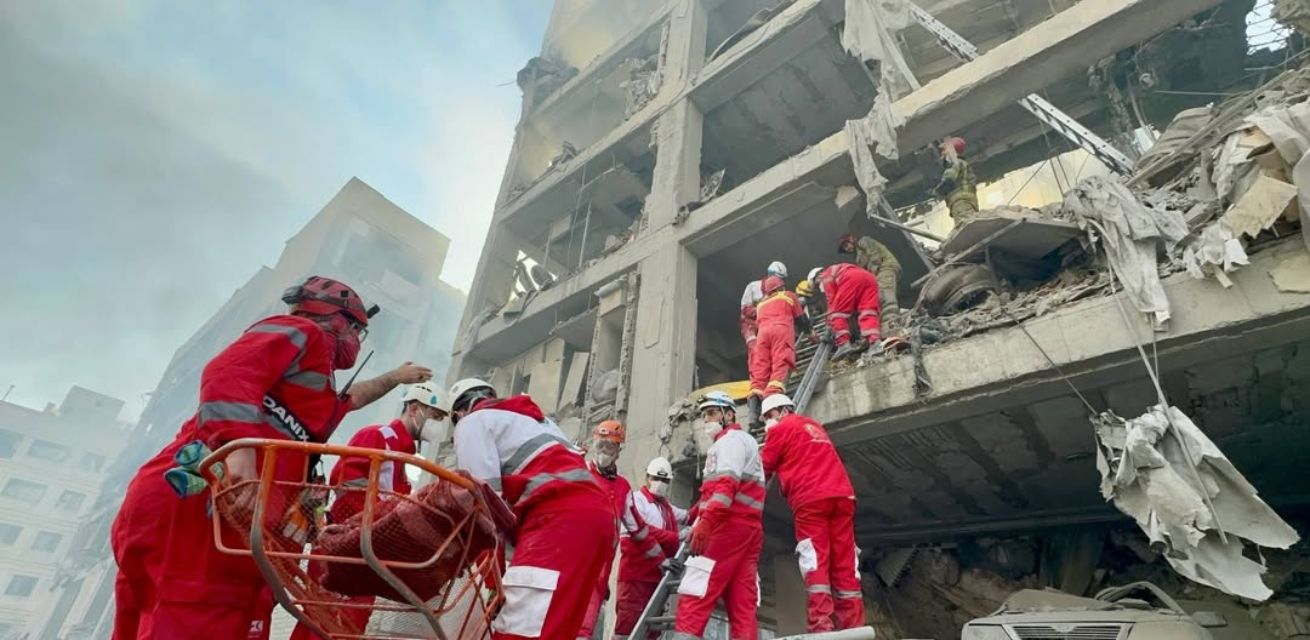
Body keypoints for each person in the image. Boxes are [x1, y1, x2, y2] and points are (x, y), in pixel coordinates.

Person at [111, 275, 433, 640]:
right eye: (359, 331)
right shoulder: (303, 331)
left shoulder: (308, 392)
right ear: (340, 321)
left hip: (223, 514)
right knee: (201, 615)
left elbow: (349, 399)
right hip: (207, 503)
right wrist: (240, 448)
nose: (358, 343)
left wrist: (395, 377)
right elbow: (228, 371)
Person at [449, 378, 616, 640]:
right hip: (597, 520)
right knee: (557, 631)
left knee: (518, 632)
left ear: (458, 412)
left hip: (559, 520)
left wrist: (493, 583)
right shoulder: (538, 421)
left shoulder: (472, 423)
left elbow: (484, 510)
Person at [289, 382, 450, 640]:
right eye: (436, 416)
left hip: (365, 553)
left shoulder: (402, 460)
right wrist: (364, 530)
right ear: (415, 408)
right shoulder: (378, 437)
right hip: (344, 548)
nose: (438, 424)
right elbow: (346, 483)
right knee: (325, 622)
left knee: (349, 624)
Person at [758, 394, 863, 632]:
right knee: (845, 562)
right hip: (843, 497)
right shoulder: (814, 426)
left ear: (783, 411)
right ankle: (853, 626)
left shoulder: (780, 429)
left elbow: (762, 468)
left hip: (811, 499)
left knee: (815, 560)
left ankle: (821, 626)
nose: (767, 422)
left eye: (768, 416)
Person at [673, 392, 765, 640]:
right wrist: (695, 513)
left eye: (712, 413)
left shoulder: (728, 443)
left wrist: (706, 523)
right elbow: (719, 491)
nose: (707, 420)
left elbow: (725, 488)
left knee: (695, 591)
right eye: (704, 415)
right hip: (749, 530)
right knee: (742, 602)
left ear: (729, 414)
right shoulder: (746, 442)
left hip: (726, 526)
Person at [614, 457, 689, 640]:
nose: (660, 484)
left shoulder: (666, 508)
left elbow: (688, 516)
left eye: (665, 480)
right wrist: (676, 536)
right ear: (647, 478)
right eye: (657, 478)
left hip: (657, 579)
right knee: (627, 630)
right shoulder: (636, 501)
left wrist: (708, 502)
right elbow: (642, 530)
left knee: (651, 633)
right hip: (636, 578)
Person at [577, 420, 631, 640]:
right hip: (573, 561)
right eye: (601, 445)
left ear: (618, 450)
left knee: (585, 630)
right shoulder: (579, 472)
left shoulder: (623, 487)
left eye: (610, 447)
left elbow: (637, 525)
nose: (604, 452)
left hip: (599, 571)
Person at [748, 276, 811, 405]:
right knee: (780, 362)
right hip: (780, 330)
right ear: (781, 287)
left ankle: (754, 410)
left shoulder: (760, 305)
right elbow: (801, 320)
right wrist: (811, 333)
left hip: (762, 335)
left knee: (760, 369)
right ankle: (773, 400)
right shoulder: (788, 295)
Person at [740, 261, 787, 426]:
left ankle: (760, 395)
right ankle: (755, 405)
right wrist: (762, 308)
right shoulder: (753, 287)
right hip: (752, 328)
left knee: (769, 359)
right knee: (756, 360)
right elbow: (745, 310)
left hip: (765, 328)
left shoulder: (775, 292)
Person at [808, 264, 882, 362]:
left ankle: (843, 344)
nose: (819, 288)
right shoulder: (837, 270)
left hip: (851, 278)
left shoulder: (826, 276)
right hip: (869, 278)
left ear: (817, 276)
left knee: (836, 313)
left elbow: (832, 302)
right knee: (867, 311)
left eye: (817, 285)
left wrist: (829, 326)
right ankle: (875, 343)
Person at [838, 234, 901, 314]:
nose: (847, 249)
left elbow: (875, 257)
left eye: (847, 245)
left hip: (885, 267)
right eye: (845, 248)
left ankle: (890, 316)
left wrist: (873, 274)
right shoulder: (858, 257)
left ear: (851, 239)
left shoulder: (864, 241)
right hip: (881, 272)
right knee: (880, 294)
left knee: (884, 291)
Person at [933, 136, 979, 222]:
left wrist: (936, 192)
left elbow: (948, 181)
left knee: (965, 224)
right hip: (967, 201)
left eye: (944, 150)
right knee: (969, 222)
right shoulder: (962, 163)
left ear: (952, 151)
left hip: (960, 201)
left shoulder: (956, 164)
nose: (942, 154)